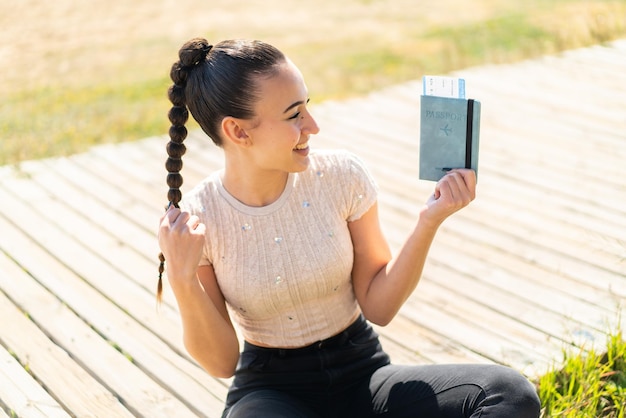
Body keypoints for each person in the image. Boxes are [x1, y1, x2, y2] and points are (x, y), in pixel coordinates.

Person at [157, 37, 541, 418]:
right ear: (239, 132)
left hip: (363, 373)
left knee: (509, 395)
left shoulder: (341, 176)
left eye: (308, 106)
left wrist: (430, 220)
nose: (314, 126)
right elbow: (222, 363)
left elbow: (379, 305)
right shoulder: (198, 219)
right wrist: (182, 276)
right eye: (294, 115)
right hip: (271, 392)